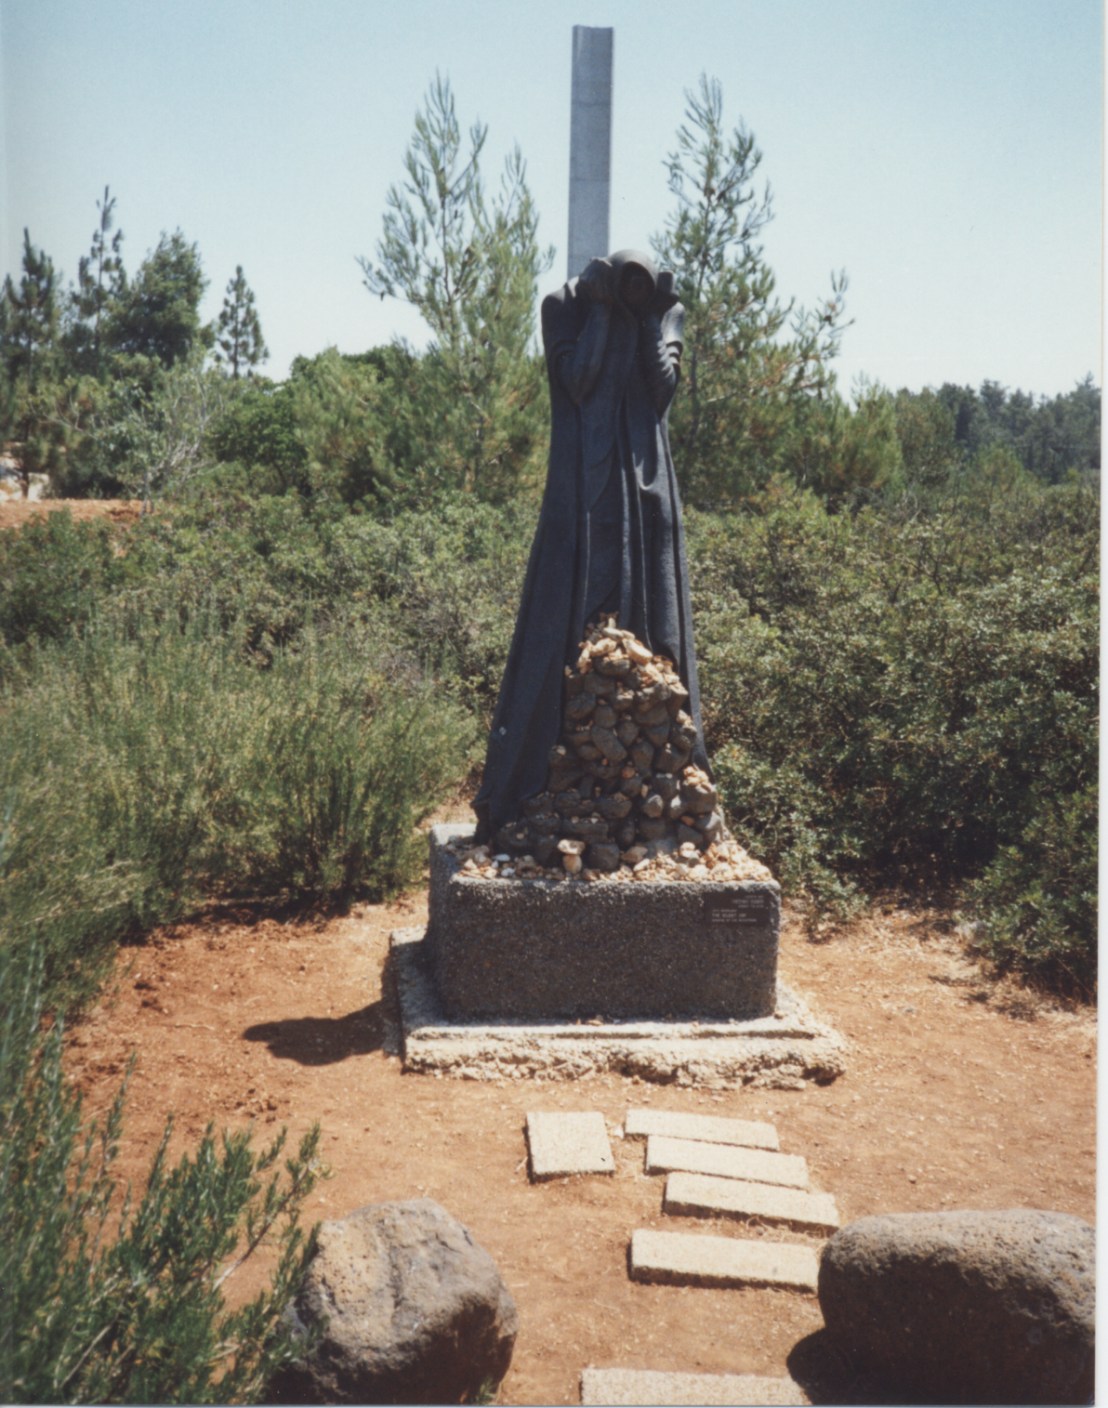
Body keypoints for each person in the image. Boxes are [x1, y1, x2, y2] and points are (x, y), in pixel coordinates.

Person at [473, 249, 709, 842]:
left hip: (646, 489)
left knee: (650, 619)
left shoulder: (665, 313)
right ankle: (546, 772)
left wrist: (653, 318)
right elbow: (576, 382)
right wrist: (601, 313)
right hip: (580, 489)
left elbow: (661, 391)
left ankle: (655, 780)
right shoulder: (562, 307)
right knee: (567, 607)